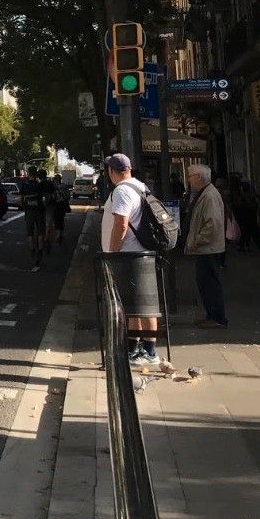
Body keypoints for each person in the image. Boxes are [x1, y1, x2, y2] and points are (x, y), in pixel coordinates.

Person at [102, 153, 162, 367]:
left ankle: (149, 351)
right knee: (136, 305)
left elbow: (121, 224)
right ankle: (136, 347)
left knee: (142, 304)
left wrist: (112, 253)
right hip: (140, 252)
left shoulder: (122, 190)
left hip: (129, 254)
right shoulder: (139, 186)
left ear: (111, 171)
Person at [182, 164, 228, 329]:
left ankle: (217, 317)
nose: (188, 179)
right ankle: (212, 315)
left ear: (199, 178)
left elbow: (213, 225)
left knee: (210, 283)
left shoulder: (209, 196)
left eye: (190, 176)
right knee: (205, 283)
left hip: (208, 248)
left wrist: (196, 240)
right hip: (206, 248)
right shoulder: (205, 194)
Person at [21, 167, 51, 263]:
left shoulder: (24, 185)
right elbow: (45, 197)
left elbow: (21, 198)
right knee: (40, 231)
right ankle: (40, 250)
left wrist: (24, 205)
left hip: (29, 211)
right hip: (39, 211)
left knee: (29, 232)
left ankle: (32, 249)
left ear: (28, 174)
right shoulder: (39, 185)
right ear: (36, 174)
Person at [230, 175, 260, 251]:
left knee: (245, 227)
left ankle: (245, 244)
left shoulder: (238, 189)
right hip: (245, 210)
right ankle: (248, 243)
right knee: (249, 227)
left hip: (244, 210)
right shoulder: (238, 189)